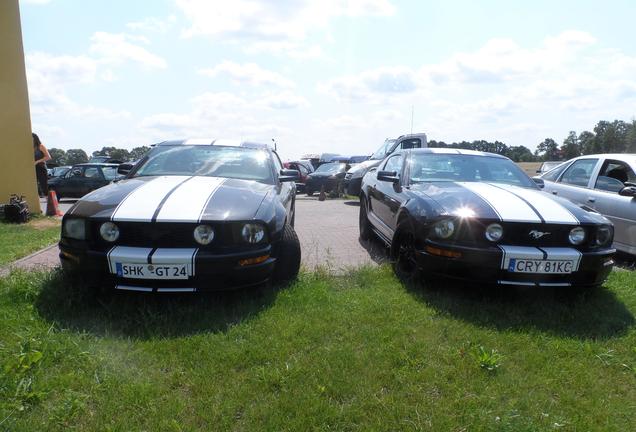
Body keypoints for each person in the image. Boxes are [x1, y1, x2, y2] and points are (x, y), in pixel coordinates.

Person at [33, 133, 51, 197]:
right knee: (34, 186)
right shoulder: (30, 147)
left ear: (35, 139)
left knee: (44, 186)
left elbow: (48, 157)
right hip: (33, 168)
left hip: (41, 167)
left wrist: (37, 161)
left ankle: (49, 202)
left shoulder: (41, 146)